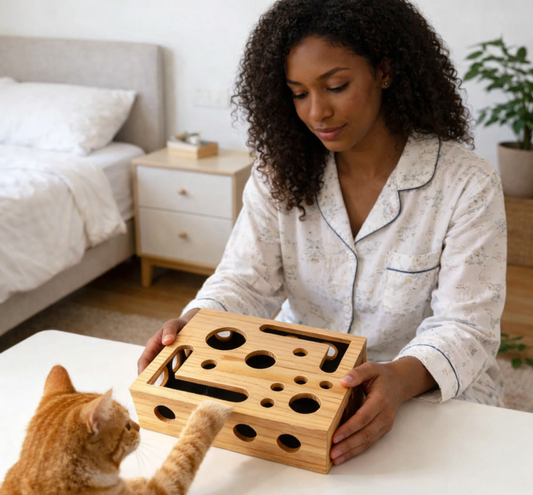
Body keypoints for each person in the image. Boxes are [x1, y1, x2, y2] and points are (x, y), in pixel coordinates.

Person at [138, 0, 506, 466]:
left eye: (336, 86)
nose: (317, 113)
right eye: (298, 93)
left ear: (385, 71)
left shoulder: (466, 183)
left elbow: (466, 326)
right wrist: (197, 323)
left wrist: (398, 378)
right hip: (298, 386)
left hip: (424, 391)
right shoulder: (279, 173)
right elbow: (244, 280)